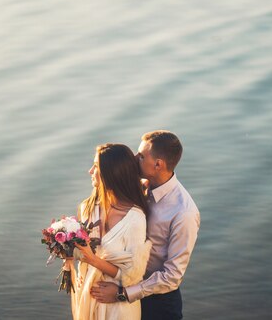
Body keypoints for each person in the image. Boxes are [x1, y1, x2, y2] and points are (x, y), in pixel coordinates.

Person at [90, 130, 200, 320]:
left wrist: (122, 293)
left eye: (141, 156)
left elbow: (172, 276)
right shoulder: (138, 186)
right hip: (122, 283)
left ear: (158, 164)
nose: (134, 158)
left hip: (158, 302)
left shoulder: (184, 212)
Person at [70, 143, 152, 320]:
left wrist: (93, 260)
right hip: (87, 297)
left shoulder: (135, 218)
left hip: (117, 307)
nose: (90, 171)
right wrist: (67, 252)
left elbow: (132, 276)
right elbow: (81, 251)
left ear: (111, 173)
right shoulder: (88, 208)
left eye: (96, 166)